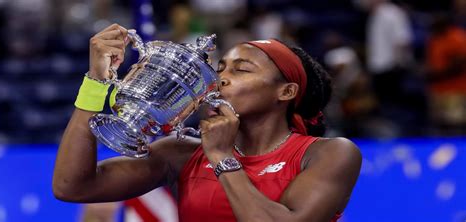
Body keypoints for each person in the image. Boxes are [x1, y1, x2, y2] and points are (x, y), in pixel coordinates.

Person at [53, 24, 362, 222]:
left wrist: (222, 157)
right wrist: (96, 83)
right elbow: (72, 187)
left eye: (242, 70)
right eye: (221, 68)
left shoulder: (330, 154)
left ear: (286, 91)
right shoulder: (181, 154)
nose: (221, 78)